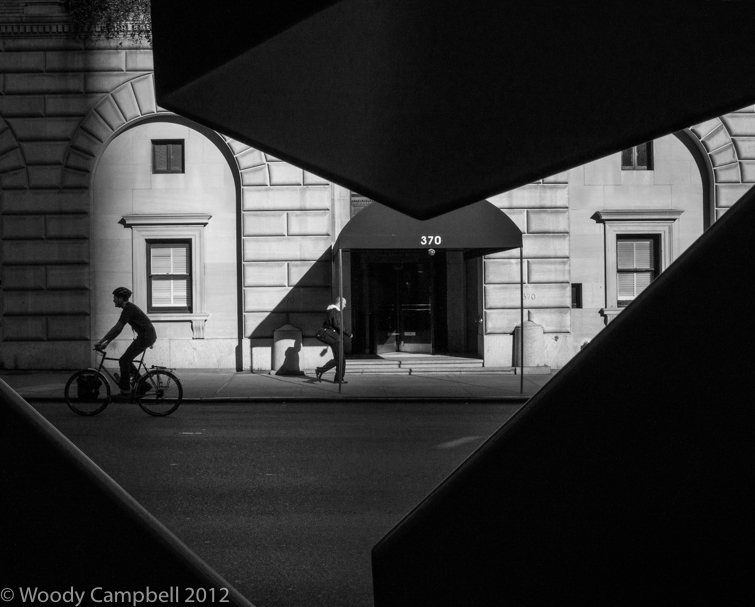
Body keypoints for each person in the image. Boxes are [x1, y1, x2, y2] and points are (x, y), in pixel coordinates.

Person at [94, 287, 157, 395]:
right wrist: (107, 343)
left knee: (124, 361)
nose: (113, 300)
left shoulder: (128, 309)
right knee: (126, 360)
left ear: (121, 298)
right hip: (146, 336)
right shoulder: (128, 308)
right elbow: (117, 330)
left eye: (115, 297)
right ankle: (143, 385)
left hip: (146, 337)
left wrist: (101, 341)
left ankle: (125, 391)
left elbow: (117, 328)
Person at [315, 297, 353, 384]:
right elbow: (337, 325)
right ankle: (320, 370)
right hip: (335, 339)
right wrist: (348, 334)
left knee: (341, 359)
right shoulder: (335, 311)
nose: (345, 306)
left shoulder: (332, 311)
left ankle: (338, 379)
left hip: (335, 337)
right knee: (339, 359)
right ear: (339, 303)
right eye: (344, 304)